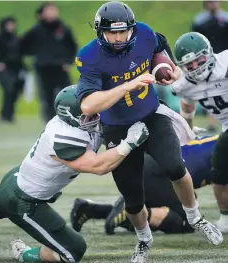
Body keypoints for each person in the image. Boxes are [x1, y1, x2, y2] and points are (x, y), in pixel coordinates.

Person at [75, 2, 223, 262]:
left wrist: (163, 68)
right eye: (112, 33)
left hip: (152, 115)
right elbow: (88, 104)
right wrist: (128, 86)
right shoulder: (90, 56)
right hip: (117, 127)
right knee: (133, 198)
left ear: (131, 28)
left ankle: (196, 217)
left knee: (176, 167)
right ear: (100, 32)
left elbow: (160, 47)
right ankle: (144, 238)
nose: (119, 38)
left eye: (123, 32)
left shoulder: (143, 33)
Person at [0, 85, 149, 263]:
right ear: (71, 116)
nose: (95, 115)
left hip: (17, 179)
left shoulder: (78, 122)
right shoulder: (63, 136)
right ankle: (25, 255)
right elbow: (99, 166)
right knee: (73, 251)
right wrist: (129, 143)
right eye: (88, 113)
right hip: (23, 201)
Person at [71, 135, 220, 235]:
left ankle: (90, 209)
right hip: (161, 174)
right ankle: (130, 216)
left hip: (146, 165)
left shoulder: (215, 141)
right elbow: (222, 187)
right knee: (186, 222)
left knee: (162, 203)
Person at [172, 31, 228, 235]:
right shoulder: (184, 85)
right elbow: (187, 106)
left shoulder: (225, 63)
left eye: (199, 60)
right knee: (218, 174)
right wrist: (187, 130)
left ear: (210, 54)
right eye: (189, 65)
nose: (195, 67)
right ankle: (226, 217)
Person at [20, 2, 78, 122]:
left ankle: (71, 119)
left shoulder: (63, 29)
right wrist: (38, 56)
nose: (52, 13)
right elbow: (22, 47)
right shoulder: (36, 31)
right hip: (43, 68)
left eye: (54, 10)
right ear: (42, 14)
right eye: (49, 10)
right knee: (47, 97)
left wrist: (69, 61)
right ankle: (50, 122)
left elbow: (73, 47)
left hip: (61, 67)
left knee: (68, 94)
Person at [191, 1, 228, 132]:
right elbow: (195, 42)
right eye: (210, 2)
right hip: (207, 62)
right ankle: (212, 123)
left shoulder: (226, 19)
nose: (213, 4)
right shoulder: (200, 22)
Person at [0, 16, 26, 123]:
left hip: (17, 69)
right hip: (5, 70)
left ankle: (9, 114)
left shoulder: (17, 38)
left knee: (16, 91)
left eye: (13, 24)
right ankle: (5, 116)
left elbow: (21, 54)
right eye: (9, 25)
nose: (11, 27)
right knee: (9, 90)